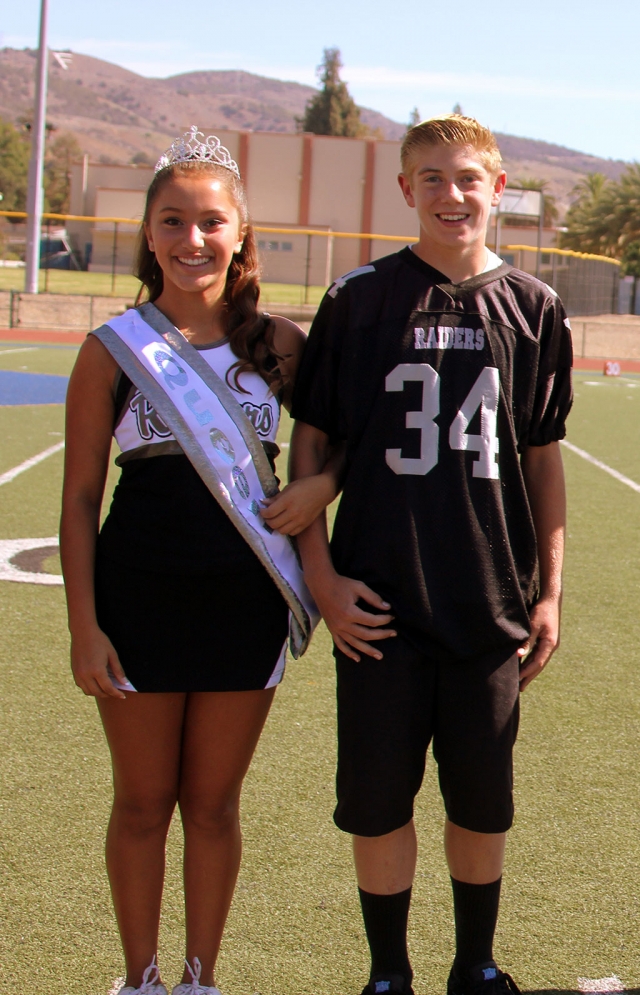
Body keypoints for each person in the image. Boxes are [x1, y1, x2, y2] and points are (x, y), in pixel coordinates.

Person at [289, 115, 572, 995]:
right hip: (378, 600)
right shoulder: (359, 297)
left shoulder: (534, 307)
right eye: (434, 179)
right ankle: (387, 972)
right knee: (378, 800)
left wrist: (551, 590)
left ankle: (475, 961)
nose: (454, 195)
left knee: (482, 800)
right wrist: (322, 577)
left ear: (497, 189)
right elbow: (313, 445)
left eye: (469, 179)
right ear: (405, 190)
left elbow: (541, 459)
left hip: (487, 596)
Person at [60, 127, 336, 995]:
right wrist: (83, 627)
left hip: (243, 605)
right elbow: (76, 500)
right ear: (147, 234)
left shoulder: (283, 346)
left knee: (214, 806)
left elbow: (349, 444)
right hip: (136, 601)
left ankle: (198, 978)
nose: (192, 241)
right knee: (142, 803)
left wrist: (321, 487)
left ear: (240, 234)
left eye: (211, 223)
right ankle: (138, 977)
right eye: (172, 222)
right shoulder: (111, 349)